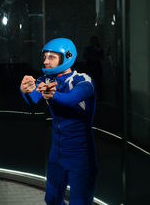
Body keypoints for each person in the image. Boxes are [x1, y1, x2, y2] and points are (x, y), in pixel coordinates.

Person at [20, 38, 97, 205]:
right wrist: (25, 90)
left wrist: (53, 95)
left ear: (67, 57)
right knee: (52, 199)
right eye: (45, 57)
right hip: (57, 152)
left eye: (51, 57)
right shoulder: (46, 80)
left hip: (80, 154)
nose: (46, 61)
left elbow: (72, 98)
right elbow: (33, 99)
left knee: (80, 202)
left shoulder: (82, 80)